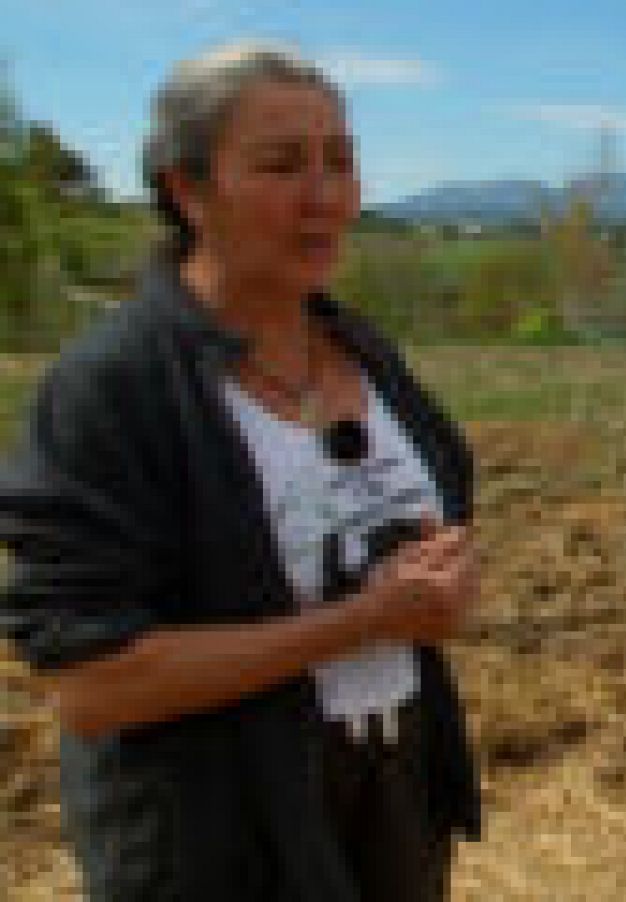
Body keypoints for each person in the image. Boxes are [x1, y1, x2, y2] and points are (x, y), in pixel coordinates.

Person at [0, 41, 482, 900]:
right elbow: (89, 686)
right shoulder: (116, 388)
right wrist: (363, 619)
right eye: (281, 165)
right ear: (188, 189)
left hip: (394, 802)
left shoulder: (364, 352)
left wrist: (442, 583)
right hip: (214, 838)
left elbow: (435, 526)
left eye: (340, 161)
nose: (325, 195)